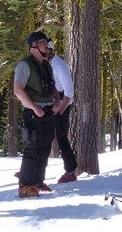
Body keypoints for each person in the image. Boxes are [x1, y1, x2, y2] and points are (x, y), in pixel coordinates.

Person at [13, 31, 60, 198]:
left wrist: (57, 101)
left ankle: (38, 182)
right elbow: (18, 89)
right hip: (33, 113)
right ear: (33, 46)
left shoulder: (46, 65)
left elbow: (52, 85)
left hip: (47, 110)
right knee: (32, 148)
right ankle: (24, 185)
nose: (46, 45)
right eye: (42, 42)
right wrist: (34, 108)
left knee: (45, 147)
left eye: (46, 42)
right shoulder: (24, 65)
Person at [47, 39, 78, 183]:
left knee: (61, 137)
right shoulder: (47, 64)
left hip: (62, 105)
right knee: (46, 137)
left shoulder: (59, 65)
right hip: (53, 103)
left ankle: (71, 170)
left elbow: (69, 92)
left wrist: (60, 111)